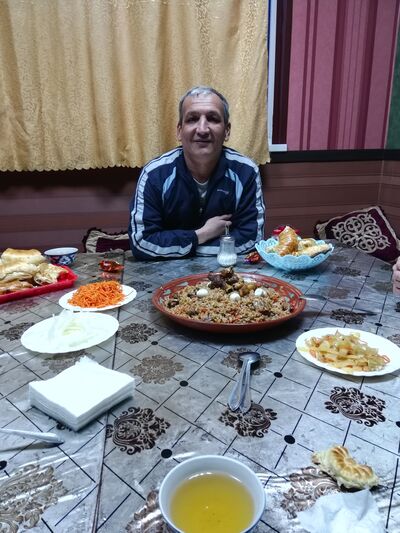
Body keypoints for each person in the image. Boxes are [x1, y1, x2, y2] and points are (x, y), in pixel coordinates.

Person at [128, 86, 265, 260]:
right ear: (179, 131)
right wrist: (200, 235)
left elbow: (252, 240)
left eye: (213, 119)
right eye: (192, 119)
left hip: (227, 271)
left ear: (227, 131)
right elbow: (142, 242)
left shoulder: (246, 172)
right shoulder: (154, 175)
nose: (202, 129)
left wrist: (184, 247)